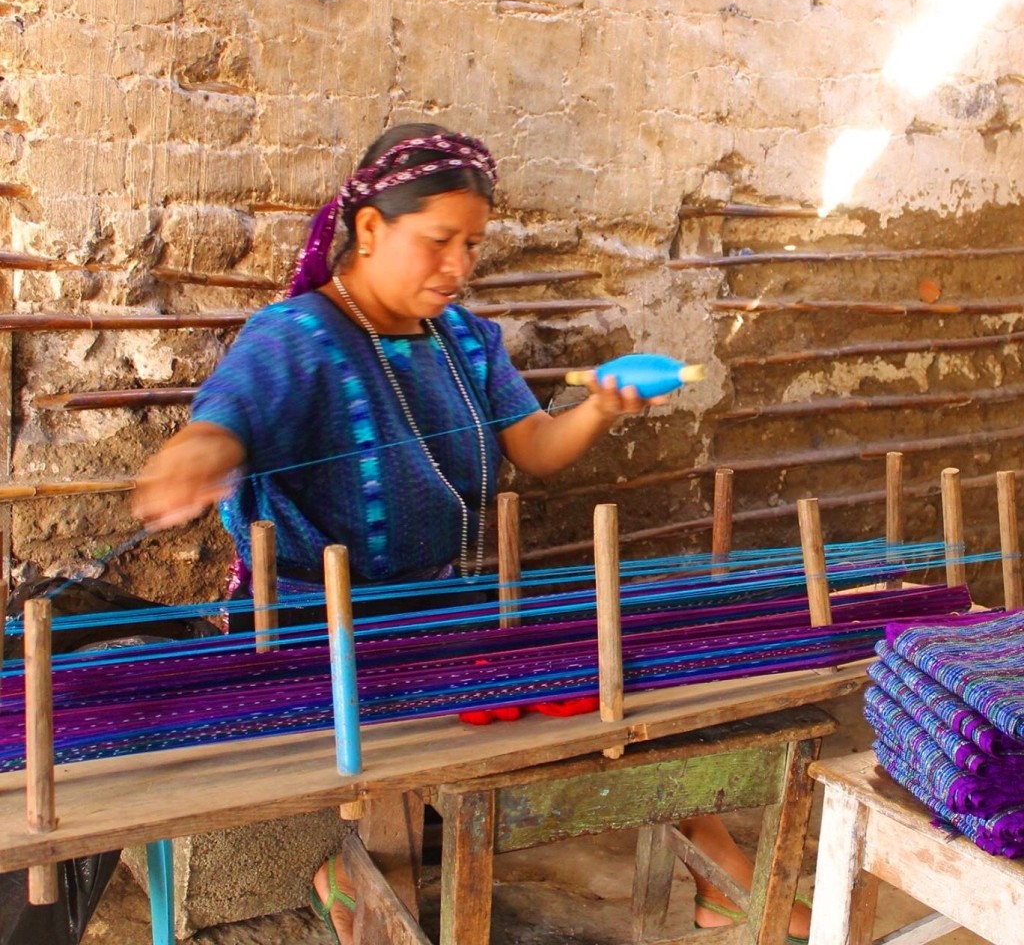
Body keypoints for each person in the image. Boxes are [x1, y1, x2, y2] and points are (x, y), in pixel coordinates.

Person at [131, 122, 809, 944]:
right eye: (438, 241)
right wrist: (197, 454)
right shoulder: (295, 337)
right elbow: (226, 418)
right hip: (322, 632)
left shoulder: (465, 341)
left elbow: (535, 450)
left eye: (472, 245)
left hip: (442, 614)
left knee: (616, 669)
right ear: (372, 228)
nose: (458, 267)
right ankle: (353, 868)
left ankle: (716, 868)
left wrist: (596, 406)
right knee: (543, 701)